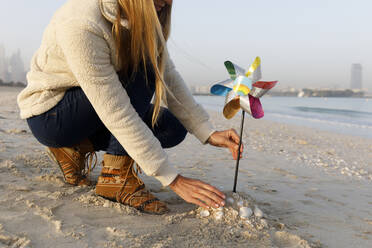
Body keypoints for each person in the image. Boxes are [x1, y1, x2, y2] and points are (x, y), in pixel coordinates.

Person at [17, 0, 243, 215]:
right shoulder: (82, 22)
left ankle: (76, 148)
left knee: (171, 127)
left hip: (96, 106)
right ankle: (115, 178)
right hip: (53, 115)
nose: (169, 2)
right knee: (144, 68)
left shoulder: (145, 18)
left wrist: (207, 131)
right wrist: (173, 179)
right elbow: (116, 111)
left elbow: (168, 77)